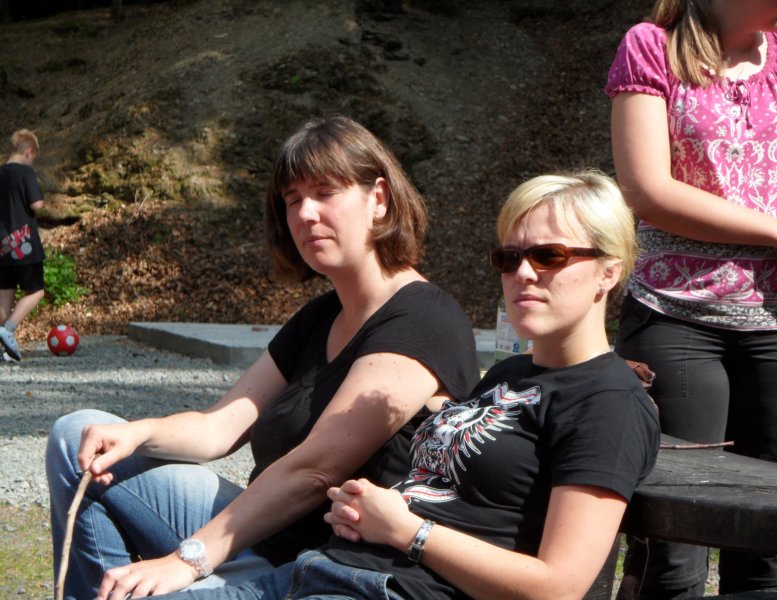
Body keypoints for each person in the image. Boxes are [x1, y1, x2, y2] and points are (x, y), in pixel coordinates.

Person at [155, 170, 661, 600]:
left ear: (608, 272)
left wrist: (407, 531)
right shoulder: (509, 375)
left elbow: (559, 587)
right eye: (508, 259)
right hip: (320, 570)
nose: (523, 273)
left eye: (549, 256)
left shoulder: (608, 403)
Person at [46, 115, 481, 600]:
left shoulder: (423, 318)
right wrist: (137, 433)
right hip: (260, 538)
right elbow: (218, 428)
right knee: (75, 436)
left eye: (325, 192)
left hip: (327, 570)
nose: (306, 214)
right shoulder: (320, 317)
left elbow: (316, 469)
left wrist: (186, 560)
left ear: (378, 199)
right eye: (293, 200)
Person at [606, 0, 777, 596]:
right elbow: (647, 189)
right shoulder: (651, 46)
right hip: (677, 314)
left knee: (773, 545)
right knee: (675, 543)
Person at [0, 128, 46, 362]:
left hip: (2, 246)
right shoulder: (26, 173)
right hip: (24, 244)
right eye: (33, 156)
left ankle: (2, 350)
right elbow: (36, 204)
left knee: (5, 294)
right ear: (29, 152)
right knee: (36, 290)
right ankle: (8, 330)